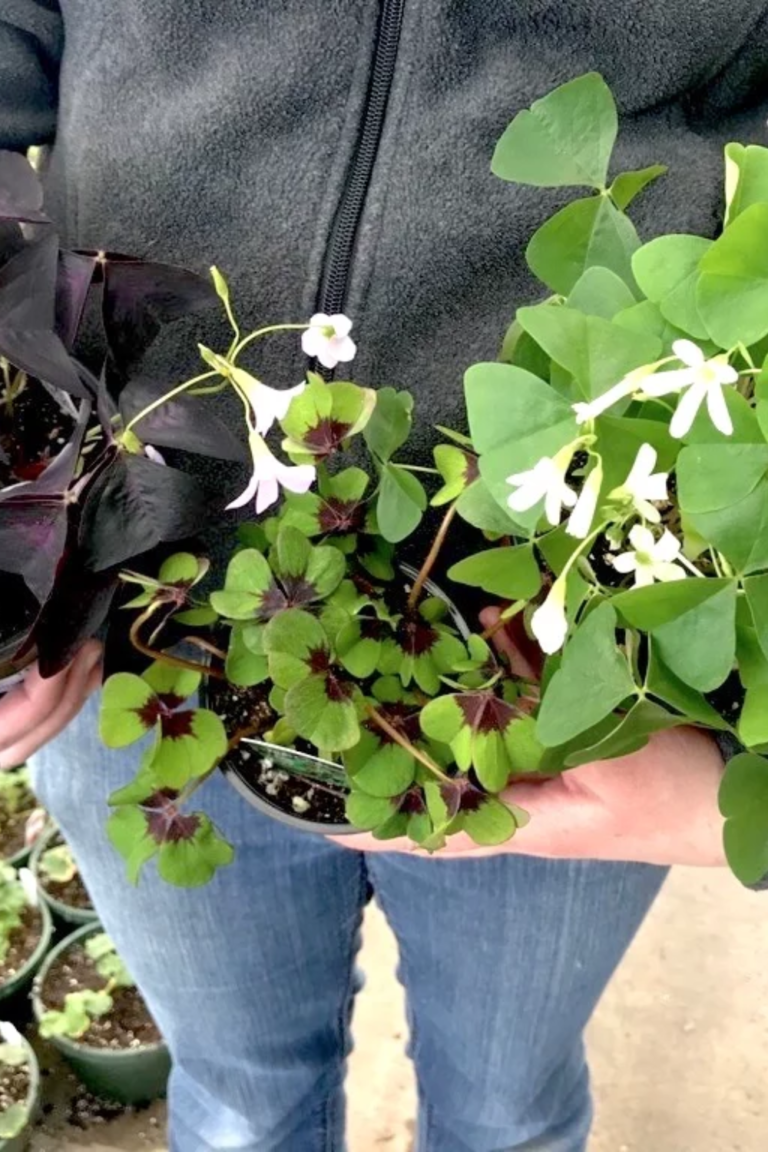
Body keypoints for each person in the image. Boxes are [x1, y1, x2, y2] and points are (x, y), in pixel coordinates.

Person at [0, 4, 762, 1150]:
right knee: (243, 1106)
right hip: (116, 596)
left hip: (580, 674)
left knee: (510, 1110)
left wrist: (737, 786)